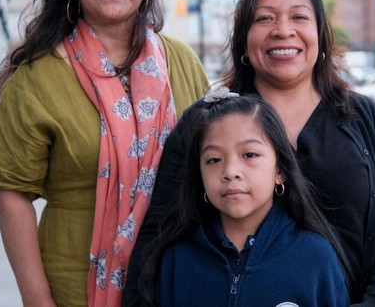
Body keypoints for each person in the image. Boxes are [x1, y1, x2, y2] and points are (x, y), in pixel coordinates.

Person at [125, 0, 375, 306]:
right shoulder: (207, 121)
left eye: (299, 17)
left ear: (320, 34)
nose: (283, 31)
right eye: (265, 19)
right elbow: (160, 230)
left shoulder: (366, 120)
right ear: (243, 37)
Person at [0, 0, 208, 306]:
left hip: (176, 279)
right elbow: (12, 192)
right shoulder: (37, 77)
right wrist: (37, 300)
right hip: (74, 286)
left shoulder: (181, 61)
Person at [138, 91, 350, 306]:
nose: (230, 171)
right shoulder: (178, 260)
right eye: (214, 159)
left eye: (249, 155)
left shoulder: (315, 258)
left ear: (280, 171)